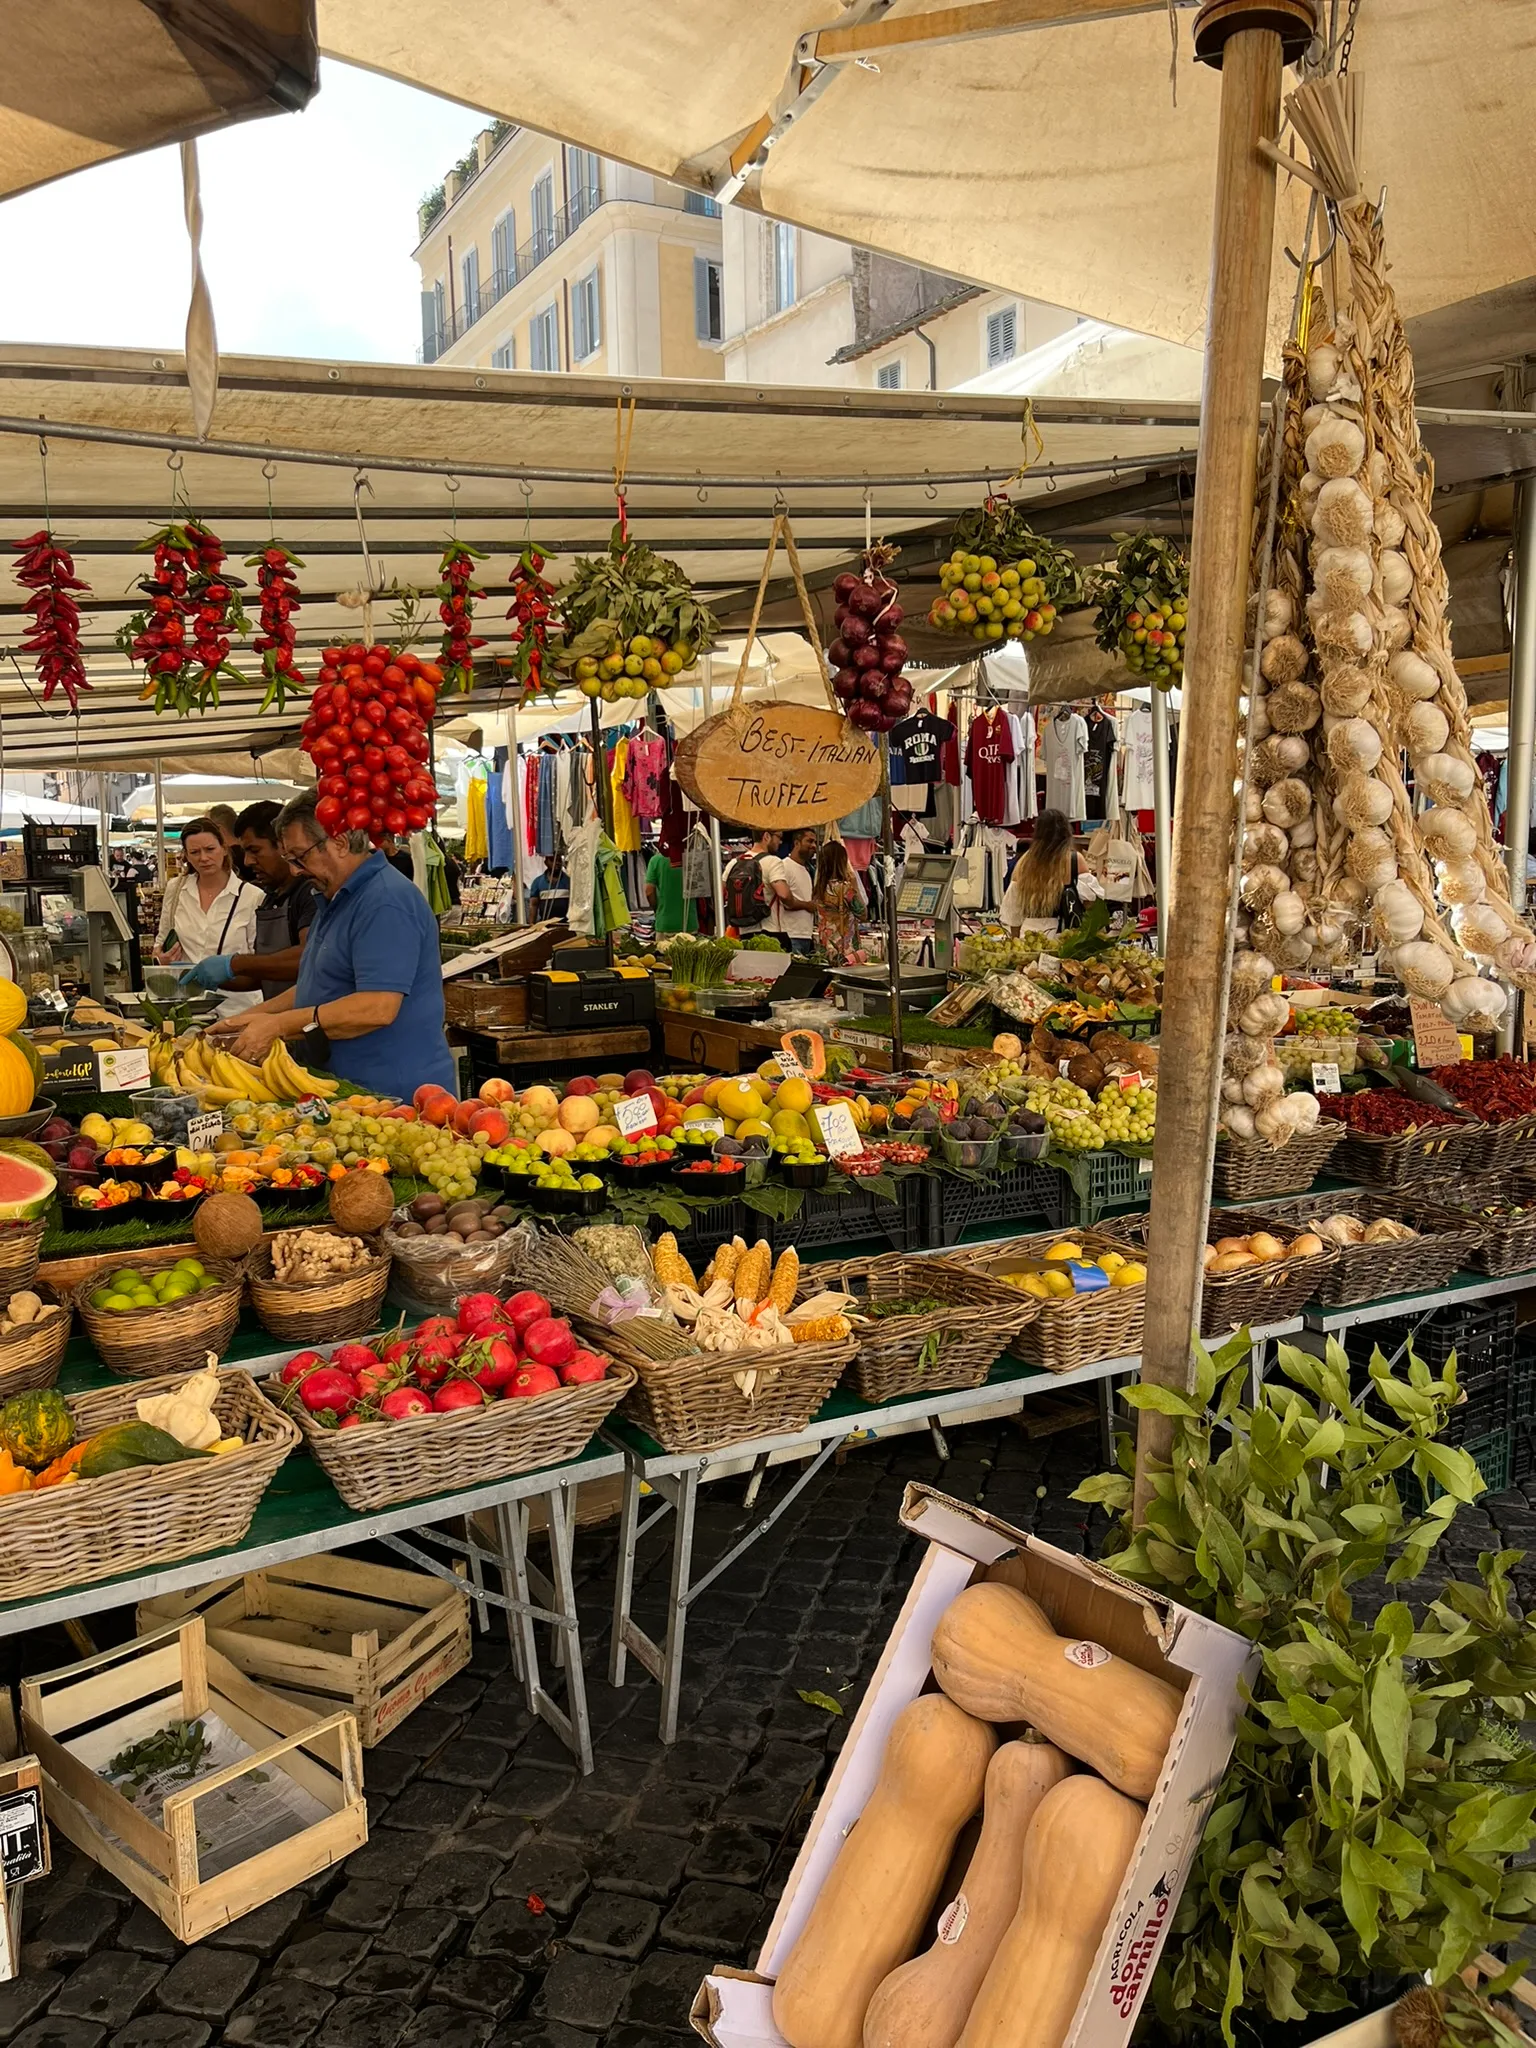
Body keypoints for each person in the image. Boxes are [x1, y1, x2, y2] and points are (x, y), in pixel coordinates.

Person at [206, 796, 455, 1100]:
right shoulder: (335, 897)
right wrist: (244, 1021)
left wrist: (279, 1025)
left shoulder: (385, 901)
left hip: (394, 1094)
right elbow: (318, 985)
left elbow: (377, 1007)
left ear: (339, 843)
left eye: (300, 856)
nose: (295, 871)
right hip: (345, 1087)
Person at [180, 801, 320, 1001]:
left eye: (255, 850)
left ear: (283, 845)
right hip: (275, 1014)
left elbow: (309, 956)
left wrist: (235, 964)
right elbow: (261, 976)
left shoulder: (309, 892)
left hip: (306, 1013)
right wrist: (207, 975)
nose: (247, 861)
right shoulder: (270, 898)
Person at [154, 816, 263, 1016]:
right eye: (195, 852)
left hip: (238, 1009)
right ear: (186, 855)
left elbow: (259, 959)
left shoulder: (252, 896)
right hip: (187, 1009)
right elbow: (161, 942)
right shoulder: (176, 890)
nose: (203, 858)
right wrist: (161, 958)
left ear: (224, 848)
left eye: (210, 849)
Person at [1000, 809, 1102, 935]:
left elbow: (1013, 913)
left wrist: (1015, 940)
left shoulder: (1024, 863)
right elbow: (1092, 903)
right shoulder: (1074, 860)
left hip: (1030, 934)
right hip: (1066, 935)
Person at [812, 840, 866, 965]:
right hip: (845, 949)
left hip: (825, 946)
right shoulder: (845, 888)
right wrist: (855, 887)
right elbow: (863, 914)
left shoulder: (819, 889)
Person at [767, 826, 818, 955]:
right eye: (809, 841)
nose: (813, 846)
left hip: (806, 935)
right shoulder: (784, 866)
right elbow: (785, 900)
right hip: (790, 935)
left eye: (815, 842)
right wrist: (807, 905)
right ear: (797, 843)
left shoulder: (808, 870)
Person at [722, 827, 779, 938]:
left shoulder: (734, 862)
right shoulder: (773, 861)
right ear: (766, 836)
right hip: (768, 927)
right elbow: (784, 894)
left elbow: (721, 893)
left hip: (741, 929)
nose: (780, 842)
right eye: (779, 837)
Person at [645, 846, 698, 935]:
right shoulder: (692, 858)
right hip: (689, 922)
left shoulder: (656, 860)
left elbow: (649, 891)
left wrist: (656, 909)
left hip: (665, 922)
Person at [527, 854, 570, 922]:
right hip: (545, 924)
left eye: (559, 860)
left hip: (565, 924)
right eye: (552, 860)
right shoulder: (538, 882)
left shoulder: (569, 881)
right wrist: (531, 924)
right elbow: (533, 905)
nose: (556, 863)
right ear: (546, 862)